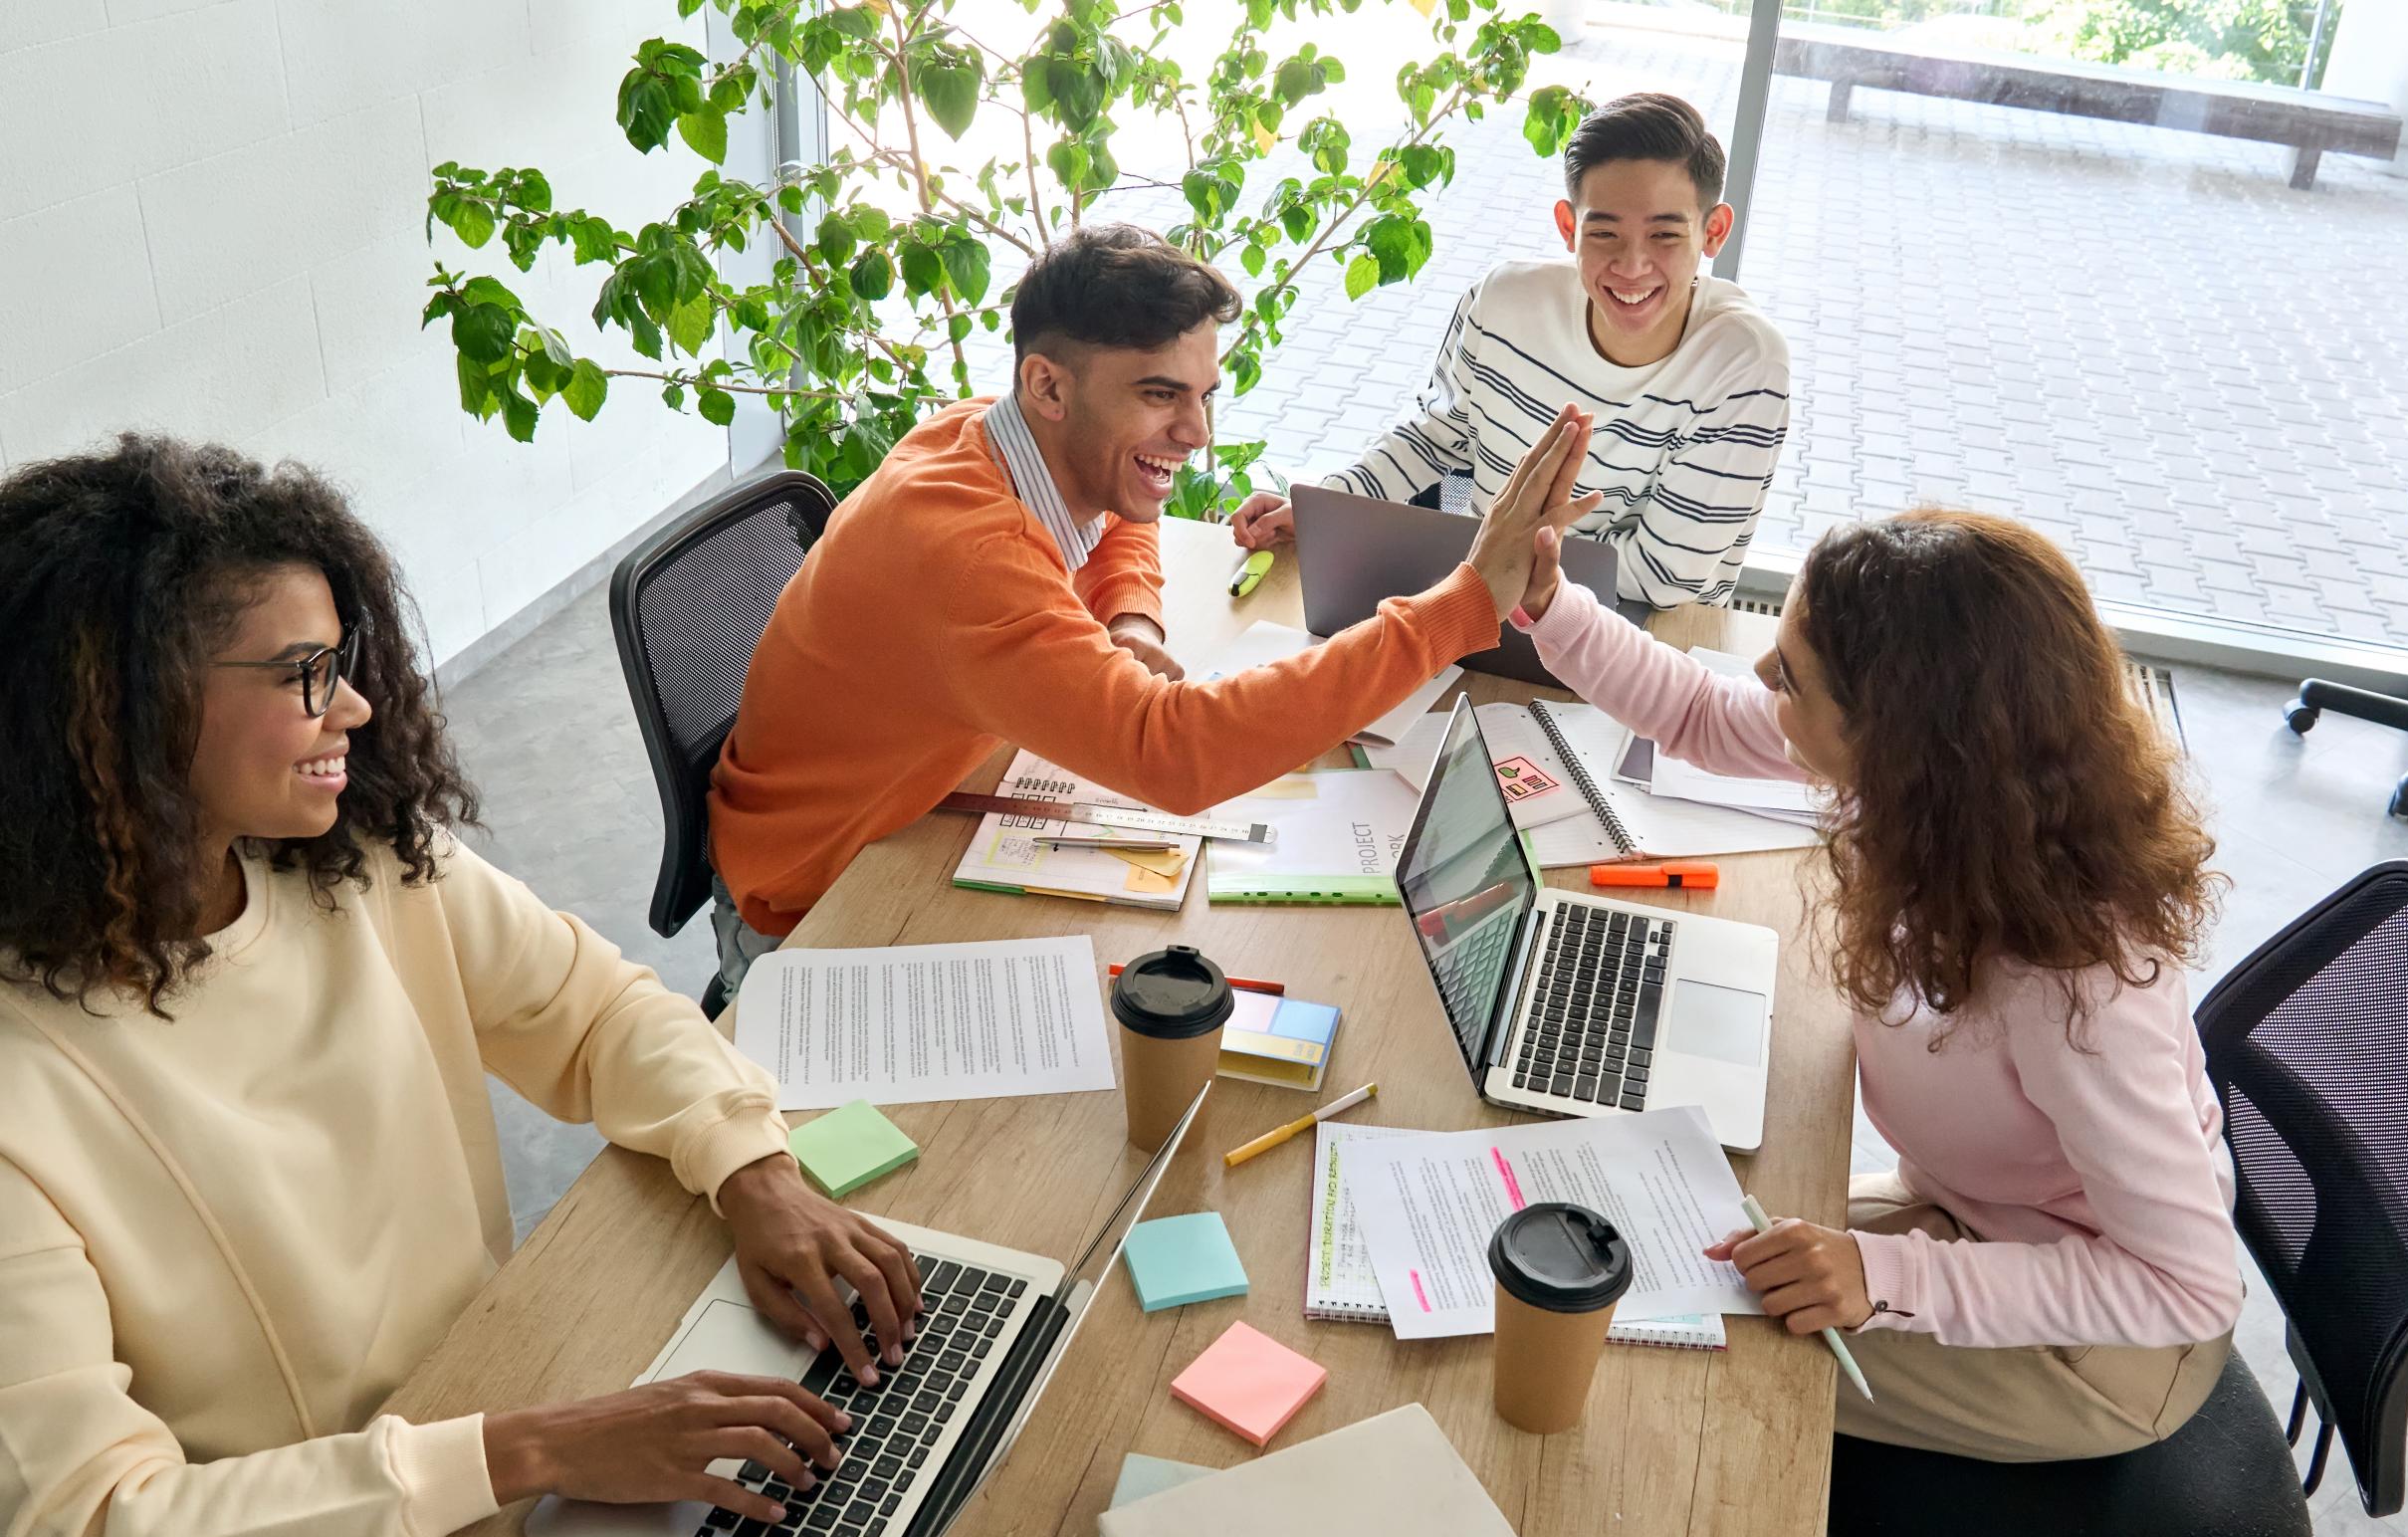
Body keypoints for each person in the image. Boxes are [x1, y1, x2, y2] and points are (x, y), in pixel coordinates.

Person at [0, 436, 927, 1537]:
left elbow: (599, 1011)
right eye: (303, 673)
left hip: (495, 1407)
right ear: (123, 709)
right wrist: (529, 1451)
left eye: (344, 659)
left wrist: (753, 1167)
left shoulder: (363, 861)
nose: (353, 705)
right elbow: (84, 1526)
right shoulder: (23, 1089)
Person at [1511, 508, 2243, 1460]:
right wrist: (1550, 605)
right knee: (1651, 1262)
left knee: (1667, 1351)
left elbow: (2187, 1287)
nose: (1761, 677)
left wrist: (1885, 1275)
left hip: (2106, 1346)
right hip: (1975, 1220)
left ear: (1895, 735)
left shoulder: (2075, 989)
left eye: (1791, 675)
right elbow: (1698, 715)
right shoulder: (1944, 798)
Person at [707, 223, 1596, 985]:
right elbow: (1174, 755)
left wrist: (1127, 616)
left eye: (1204, 395)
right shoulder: (968, 555)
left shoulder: (991, 434)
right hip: (812, 907)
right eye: (1160, 395)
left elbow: (1118, 509)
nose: (1197, 433)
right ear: (1048, 387)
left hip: (920, 812)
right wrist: (1458, 607)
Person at [1227, 91, 1792, 610]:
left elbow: (1665, 578)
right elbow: (1437, 438)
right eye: (1604, 233)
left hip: (1636, 632)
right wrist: (1326, 506)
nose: (1632, 265)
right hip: (1485, 602)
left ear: (1713, 232)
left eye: (1665, 235)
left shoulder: (1744, 362)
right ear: (1568, 226)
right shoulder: (1502, 300)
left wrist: (1492, 561)